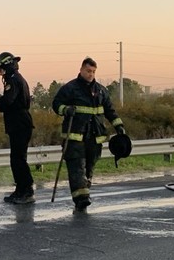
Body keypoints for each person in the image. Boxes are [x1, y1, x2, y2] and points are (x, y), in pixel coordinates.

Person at [51, 57, 125, 213]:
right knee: (76, 167)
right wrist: (66, 110)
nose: (90, 74)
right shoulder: (70, 88)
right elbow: (56, 104)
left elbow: (110, 111)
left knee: (89, 168)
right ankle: (81, 199)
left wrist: (119, 126)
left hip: (94, 136)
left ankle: (84, 193)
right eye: (88, 71)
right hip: (74, 137)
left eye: (93, 72)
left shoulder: (101, 90)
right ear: (81, 70)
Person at [0, 52, 35, 204]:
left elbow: (8, 100)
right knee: (17, 159)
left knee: (18, 159)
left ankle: (26, 190)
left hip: (19, 124)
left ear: (7, 66)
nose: (0, 72)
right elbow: (13, 104)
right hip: (19, 122)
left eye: (1, 69)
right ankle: (20, 189)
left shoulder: (13, 80)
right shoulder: (16, 79)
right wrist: (0, 109)